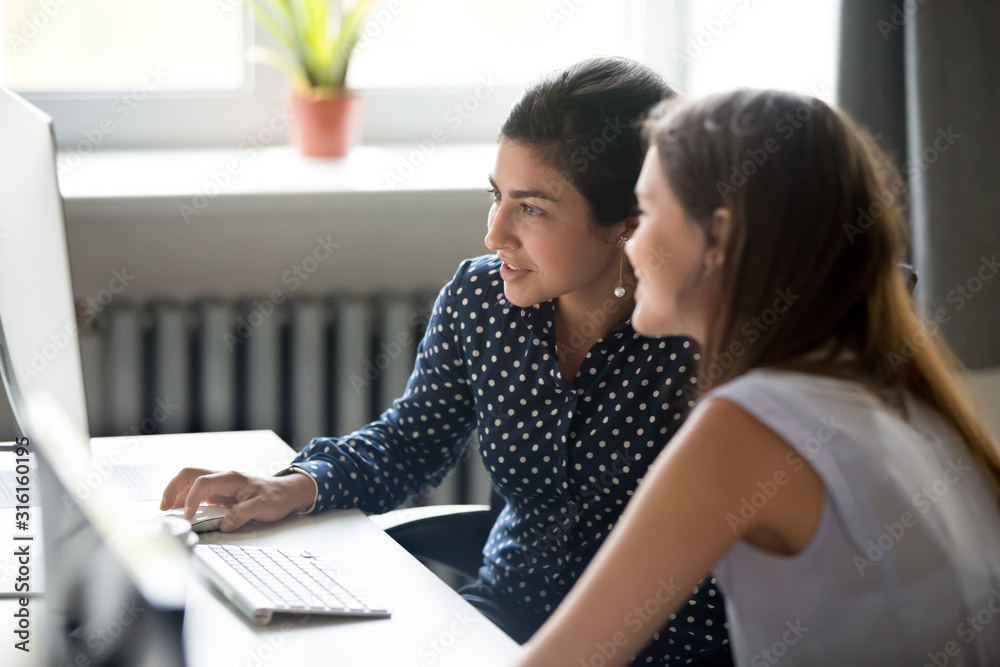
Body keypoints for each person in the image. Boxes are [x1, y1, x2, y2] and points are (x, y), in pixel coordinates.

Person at [161, 57, 732, 665]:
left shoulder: (701, 338)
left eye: (532, 208)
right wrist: (295, 485)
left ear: (628, 223)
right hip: (504, 618)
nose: (495, 234)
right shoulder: (483, 299)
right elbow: (411, 442)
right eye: (497, 196)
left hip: (667, 650)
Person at [516, 88, 1000, 666]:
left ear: (717, 238)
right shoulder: (892, 398)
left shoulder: (744, 429)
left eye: (645, 213)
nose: (631, 241)